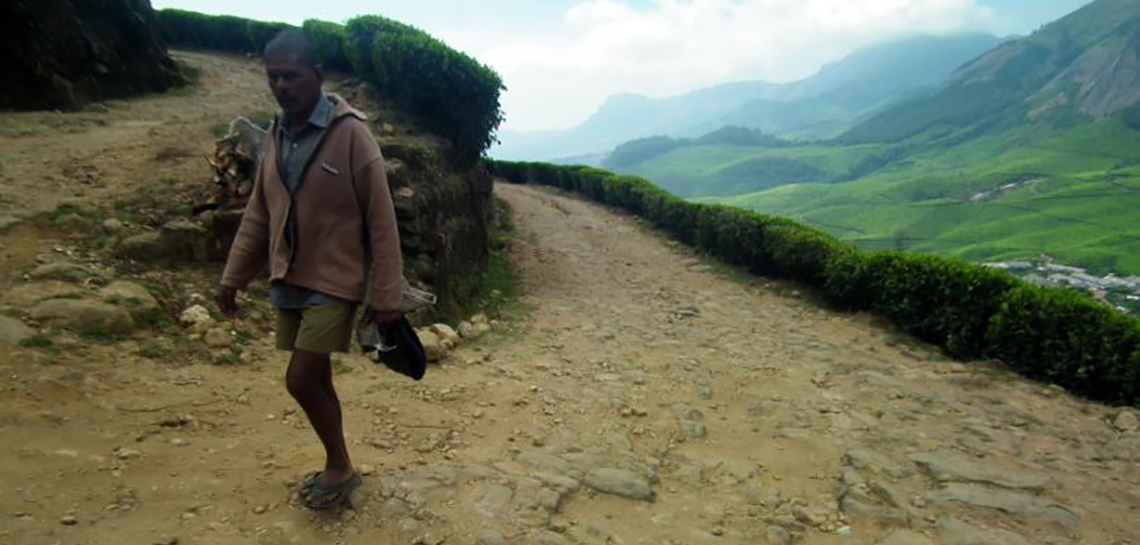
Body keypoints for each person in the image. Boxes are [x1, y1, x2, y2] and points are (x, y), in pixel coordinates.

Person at [216, 29, 402, 510]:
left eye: (291, 76)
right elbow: (260, 213)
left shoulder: (351, 135)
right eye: (273, 76)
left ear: (317, 76)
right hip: (289, 279)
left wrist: (387, 297)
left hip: (336, 282)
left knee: (299, 379)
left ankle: (339, 466)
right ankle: (339, 462)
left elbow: (382, 222)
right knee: (317, 379)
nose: (281, 85)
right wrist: (233, 277)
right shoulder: (276, 135)